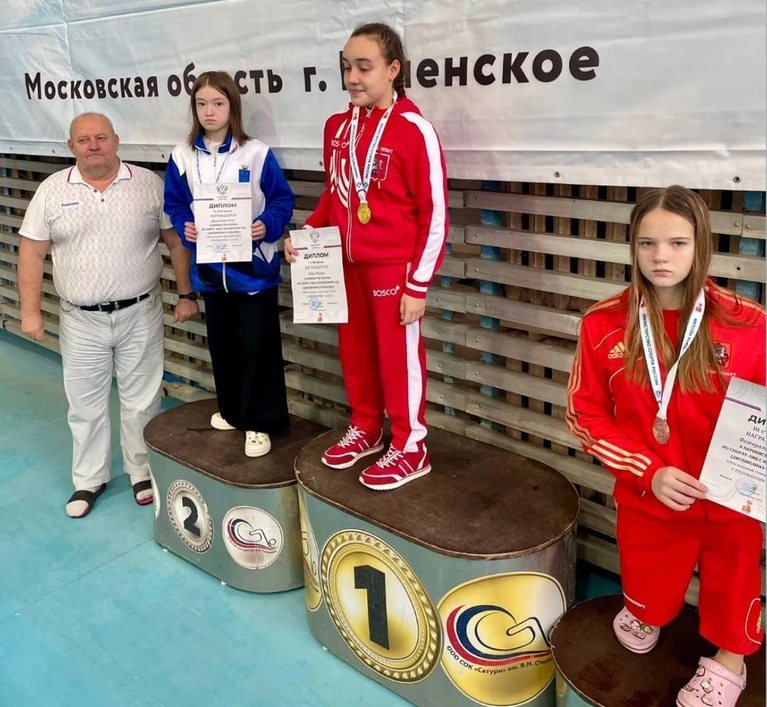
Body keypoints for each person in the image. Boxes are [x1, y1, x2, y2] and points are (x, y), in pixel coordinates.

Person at [566, 185, 764, 707]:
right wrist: (646, 470)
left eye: (678, 243)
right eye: (647, 243)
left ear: (702, 246)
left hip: (730, 501)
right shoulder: (603, 324)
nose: (660, 257)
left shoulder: (748, 324)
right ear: (632, 246)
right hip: (650, 492)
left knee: (735, 579)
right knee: (647, 580)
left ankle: (731, 659)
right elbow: (584, 414)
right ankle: (646, 610)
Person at [285, 23, 448, 491]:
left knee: (397, 359)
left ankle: (411, 446)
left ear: (393, 70)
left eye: (364, 67)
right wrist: (309, 230)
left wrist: (418, 284)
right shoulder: (337, 127)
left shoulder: (414, 130)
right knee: (355, 352)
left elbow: (435, 212)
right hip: (344, 265)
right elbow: (336, 194)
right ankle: (367, 428)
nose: (352, 77)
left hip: (393, 267)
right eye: (346, 67)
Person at [18, 113, 198, 518]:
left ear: (117, 140)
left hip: (140, 311)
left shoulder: (148, 184)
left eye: (101, 137)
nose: (93, 146)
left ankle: (141, 471)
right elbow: (31, 252)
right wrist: (30, 312)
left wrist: (186, 294)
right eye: (84, 140)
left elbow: (175, 242)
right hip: (80, 319)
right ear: (71, 147)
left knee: (143, 399)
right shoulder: (51, 190)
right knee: (84, 404)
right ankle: (89, 479)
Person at [163, 71, 294, 458]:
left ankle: (259, 422)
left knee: (257, 348)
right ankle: (234, 411)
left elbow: (282, 201)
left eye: (218, 103)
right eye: (201, 103)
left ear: (232, 106)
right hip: (210, 272)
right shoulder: (182, 156)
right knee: (224, 347)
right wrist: (185, 224)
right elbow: (175, 203)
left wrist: (266, 225)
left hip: (253, 271)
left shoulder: (256, 153)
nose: (209, 111)